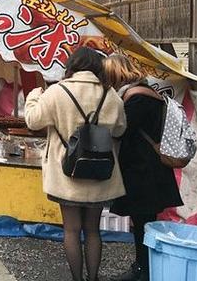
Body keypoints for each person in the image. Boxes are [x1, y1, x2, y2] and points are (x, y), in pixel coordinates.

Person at [24, 47, 126, 281]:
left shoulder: (58, 92)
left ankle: (77, 279)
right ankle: (93, 278)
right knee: (93, 230)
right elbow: (120, 129)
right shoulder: (110, 95)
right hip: (101, 172)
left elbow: (33, 120)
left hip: (67, 173)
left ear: (72, 66)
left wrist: (33, 97)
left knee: (71, 229)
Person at [104, 54, 183, 281]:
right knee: (143, 221)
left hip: (143, 170)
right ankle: (144, 267)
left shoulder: (136, 99)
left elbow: (122, 131)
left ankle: (144, 269)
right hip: (151, 169)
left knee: (143, 222)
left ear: (116, 74)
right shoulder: (148, 94)